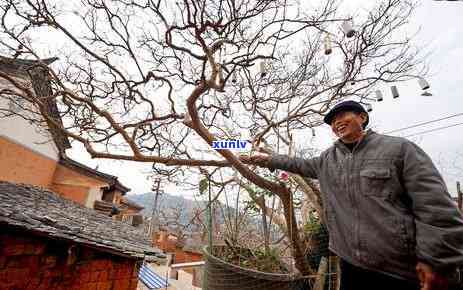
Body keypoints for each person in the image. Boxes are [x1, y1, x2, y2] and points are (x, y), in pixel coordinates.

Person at [243, 100, 463, 290]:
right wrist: (266, 159)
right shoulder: (327, 160)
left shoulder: (399, 150)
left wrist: (435, 262)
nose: (337, 122)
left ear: (362, 117)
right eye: (332, 121)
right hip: (350, 265)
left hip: (402, 271)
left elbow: (436, 209)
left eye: (342, 115)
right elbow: (296, 163)